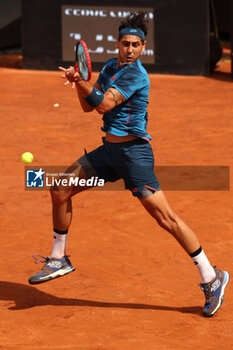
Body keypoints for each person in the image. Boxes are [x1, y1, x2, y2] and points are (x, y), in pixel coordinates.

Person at [28, 11, 229, 317]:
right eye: (125, 43)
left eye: (136, 44)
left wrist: (82, 81)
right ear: (118, 44)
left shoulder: (137, 75)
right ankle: (59, 258)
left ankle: (212, 278)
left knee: (167, 219)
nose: (130, 49)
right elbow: (87, 106)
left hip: (134, 157)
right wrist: (80, 83)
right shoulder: (110, 66)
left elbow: (104, 104)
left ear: (143, 47)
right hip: (108, 154)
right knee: (59, 188)